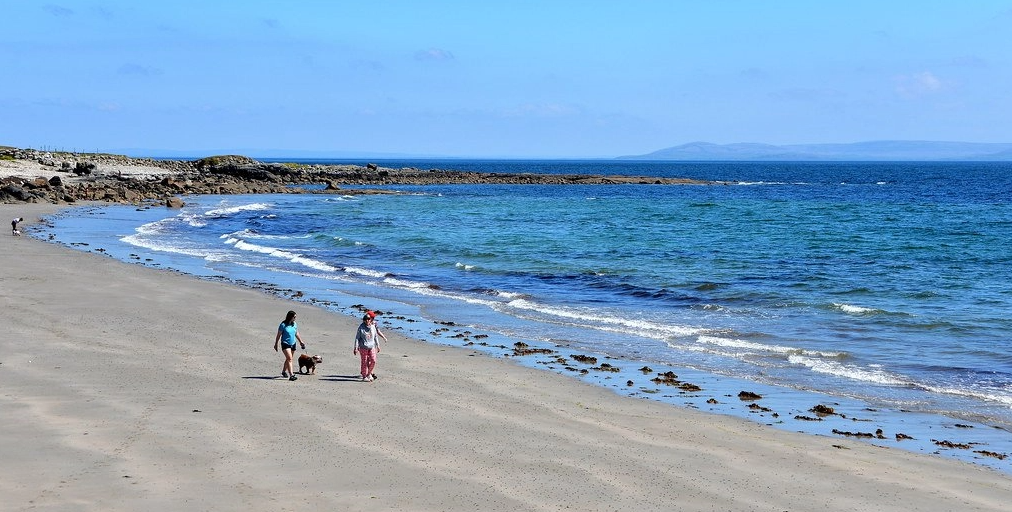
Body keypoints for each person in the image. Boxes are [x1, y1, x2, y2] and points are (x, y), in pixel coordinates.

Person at [353, 310, 387, 382]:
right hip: (363, 347)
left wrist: (378, 345)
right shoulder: (361, 328)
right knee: (365, 361)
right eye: (366, 319)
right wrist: (355, 347)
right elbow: (357, 338)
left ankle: (369, 374)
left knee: (373, 360)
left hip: (372, 346)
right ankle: (365, 375)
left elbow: (376, 336)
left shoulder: (374, 325)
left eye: (369, 319)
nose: (368, 320)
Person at [274, 310, 305, 381]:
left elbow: (296, 333)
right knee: (290, 358)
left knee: (288, 359)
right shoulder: (283, 325)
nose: (295, 318)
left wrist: (301, 341)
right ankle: (291, 375)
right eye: (294, 317)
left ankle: (284, 371)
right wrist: (276, 344)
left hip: (293, 343)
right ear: (290, 317)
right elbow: (278, 335)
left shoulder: (294, 324)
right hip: (285, 343)